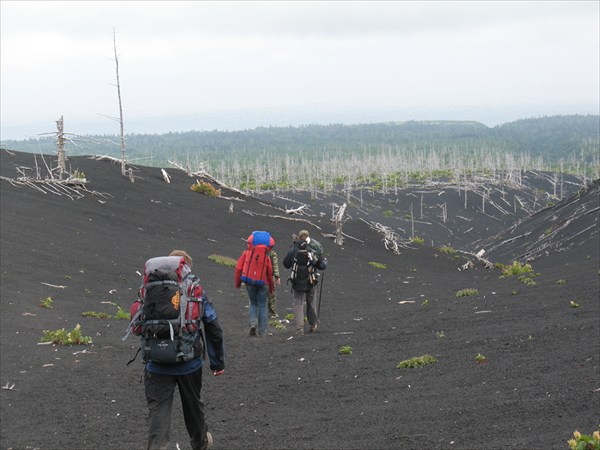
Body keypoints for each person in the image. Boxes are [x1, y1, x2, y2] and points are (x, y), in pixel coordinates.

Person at [143, 250, 225, 450]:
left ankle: (157, 446)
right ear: (186, 266)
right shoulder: (193, 288)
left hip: (156, 362)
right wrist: (217, 362)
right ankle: (200, 443)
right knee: (193, 406)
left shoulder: (150, 286)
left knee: (158, 410)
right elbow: (212, 324)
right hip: (189, 362)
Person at [283, 230, 327, 335]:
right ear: (308, 237)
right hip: (311, 279)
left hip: (297, 280)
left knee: (298, 302)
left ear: (299, 237)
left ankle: (299, 328)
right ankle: (313, 325)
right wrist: (324, 261)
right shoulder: (314, 248)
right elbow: (321, 266)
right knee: (311, 302)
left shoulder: (294, 248)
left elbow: (286, 264)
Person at [234, 232, 275, 337]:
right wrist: (271, 287)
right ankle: (263, 331)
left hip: (249, 282)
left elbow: (239, 268)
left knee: (253, 303)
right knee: (262, 305)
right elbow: (270, 272)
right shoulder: (266, 256)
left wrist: (238, 283)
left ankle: (253, 323)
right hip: (264, 283)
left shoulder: (246, 253)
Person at [268, 249, 281, 318]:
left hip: (258, 276)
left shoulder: (255, 251)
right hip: (270, 277)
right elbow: (275, 266)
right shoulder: (272, 253)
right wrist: (277, 277)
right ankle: (272, 312)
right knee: (272, 294)